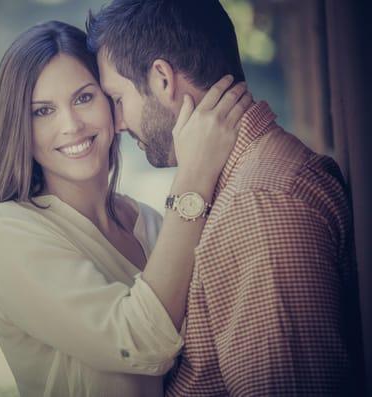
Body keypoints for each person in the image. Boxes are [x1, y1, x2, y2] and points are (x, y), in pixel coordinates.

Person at [0, 21, 251, 397]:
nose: (71, 125)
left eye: (83, 98)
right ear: (19, 128)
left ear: (112, 102)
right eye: (42, 111)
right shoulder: (7, 231)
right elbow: (140, 342)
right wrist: (195, 174)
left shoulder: (154, 224)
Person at [86, 0, 363, 395]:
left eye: (117, 99)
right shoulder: (241, 186)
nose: (117, 124)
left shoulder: (258, 206)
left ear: (162, 79)